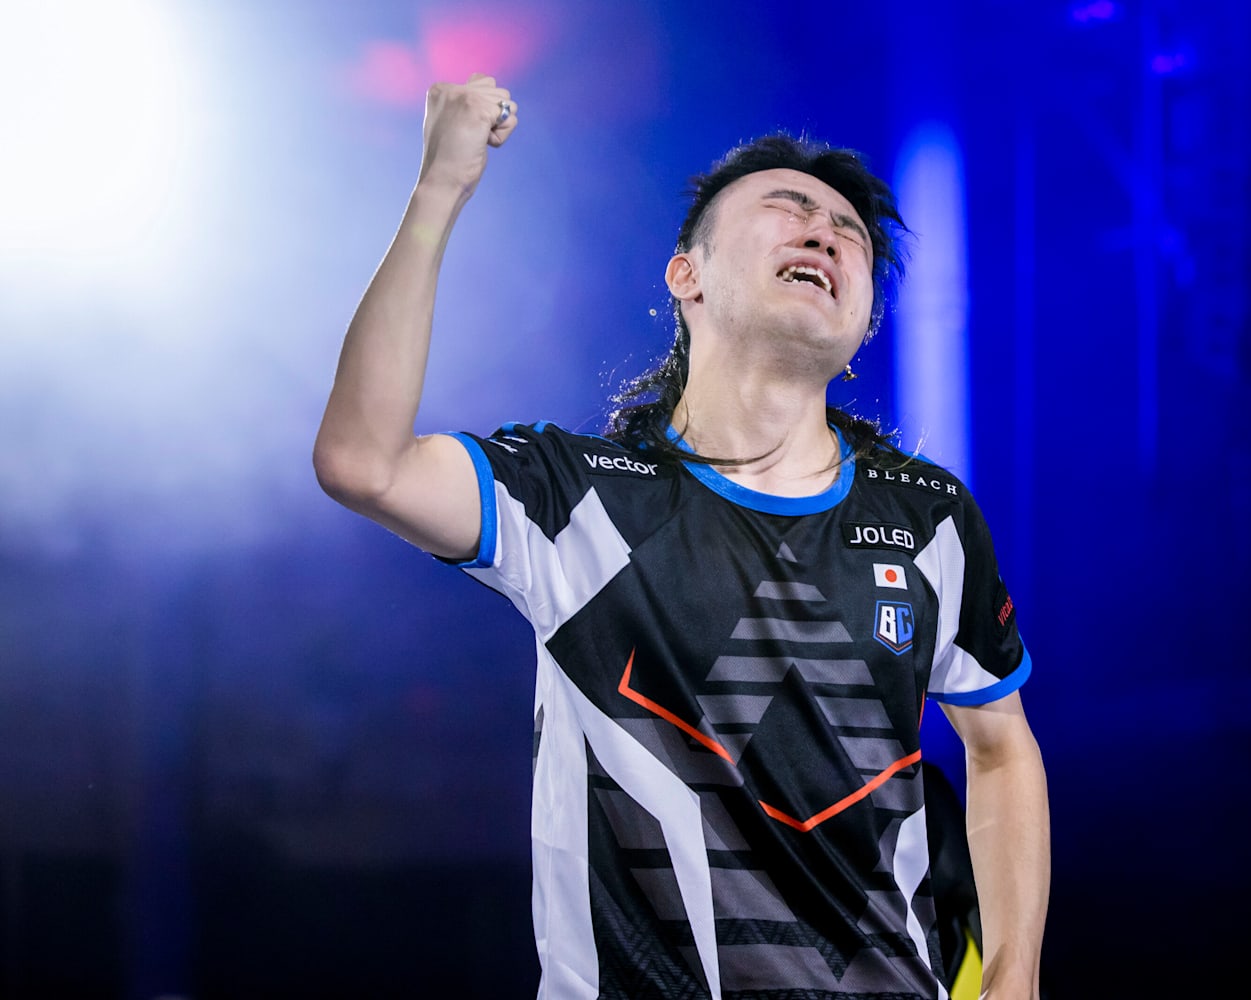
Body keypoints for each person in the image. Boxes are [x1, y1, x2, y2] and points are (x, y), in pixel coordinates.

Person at [314, 73, 1050, 1000]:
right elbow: (363, 461)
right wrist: (438, 191)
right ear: (686, 275)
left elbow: (1001, 745)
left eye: (849, 234)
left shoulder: (928, 515)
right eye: (789, 209)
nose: (825, 232)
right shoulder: (577, 498)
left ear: (863, 323)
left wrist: (1015, 975)